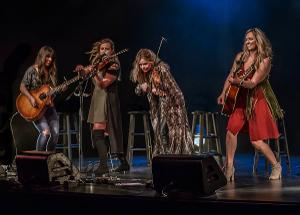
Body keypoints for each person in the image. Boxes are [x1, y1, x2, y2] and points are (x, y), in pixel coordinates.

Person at [217, 28, 284, 181]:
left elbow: (253, 83)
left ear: (258, 41)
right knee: (230, 132)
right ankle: (229, 167)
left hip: (256, 101)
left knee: (256, 142)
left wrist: (237, 81)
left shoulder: (264, 60)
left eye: (251, 39)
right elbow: (230, 75)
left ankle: (276, 166)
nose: (248, 42)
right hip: (240, 100)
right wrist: (223, 93)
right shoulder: (240, 57)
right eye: (246, 39)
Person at [75, 38, 129, 176]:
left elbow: (103, 84)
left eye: (107, 49)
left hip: (107, 98)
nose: (104, 51)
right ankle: (123, 163)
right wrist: (82, 70)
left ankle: (104, 166)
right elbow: (85, 74)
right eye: (102, 49)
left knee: (100, 131)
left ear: (112, 50)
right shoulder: (98, 63)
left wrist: (96, 75)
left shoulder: (114, 64)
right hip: (98, 98)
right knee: (107, 132)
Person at [130, 49, 194, 156]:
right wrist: (141, 87)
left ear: (151, 61)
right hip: (157, 109)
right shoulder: (144, 74)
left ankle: (170, 157)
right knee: (160, 133)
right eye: (141, 65)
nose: (143, 67)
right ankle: (165, 157)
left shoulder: (161, 70)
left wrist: (158, 90)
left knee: (165, 132)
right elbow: (137, 91)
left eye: (145, 64)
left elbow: (175, 91)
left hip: (171, 106)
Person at [20, 46, 59, 151]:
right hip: (36, 107)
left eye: (52, 58)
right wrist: (31, 98)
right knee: (45, 132)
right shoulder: (32, 70)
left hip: (48, 107)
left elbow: (51, 91)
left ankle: (49, 159)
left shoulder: (52, 73)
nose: (50, 59)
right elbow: (22, 86)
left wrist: (59, 90)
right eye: (47, 57)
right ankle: (38, 161)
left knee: (55, 134)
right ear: (42, 56)